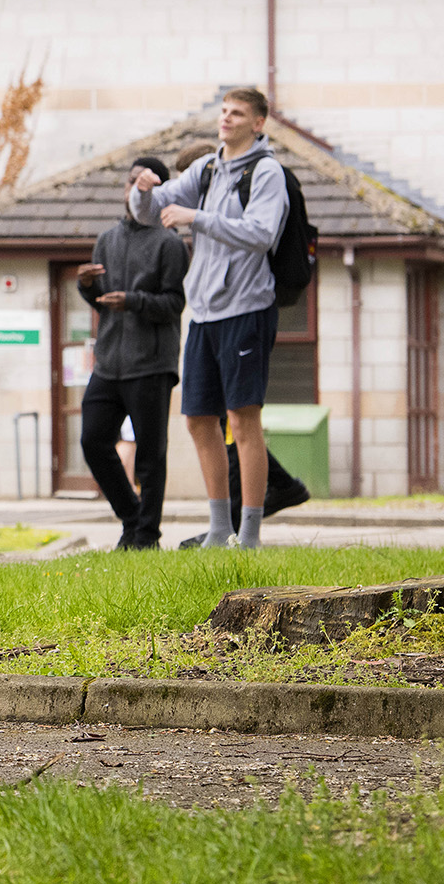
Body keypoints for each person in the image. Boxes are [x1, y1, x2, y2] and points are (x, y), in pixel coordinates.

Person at [129, 88, 287, 549]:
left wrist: (196, 218)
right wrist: (143, 194)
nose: (226, 118)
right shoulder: (208, 167)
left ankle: (250, 534)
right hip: (204, 312)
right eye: (223, 111)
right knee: (199, 419)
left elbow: (260, 233)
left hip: (247, 309)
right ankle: (219, 530)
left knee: (243, 418)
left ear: (258, 123)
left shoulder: (267, 172)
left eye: (237, 112)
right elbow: (155, 208)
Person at [75, 155, 188, 549]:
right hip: (108, 363)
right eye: (129, 182)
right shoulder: (106, 239)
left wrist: (135, 301)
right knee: (93, 440)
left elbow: (174, 304)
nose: (131, 190)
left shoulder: (170, 244)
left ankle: (145, 536)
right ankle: (132, 517)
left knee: (151, 455)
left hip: (151, 364)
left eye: (140, 184)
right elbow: (102, 304)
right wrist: (85, 286)